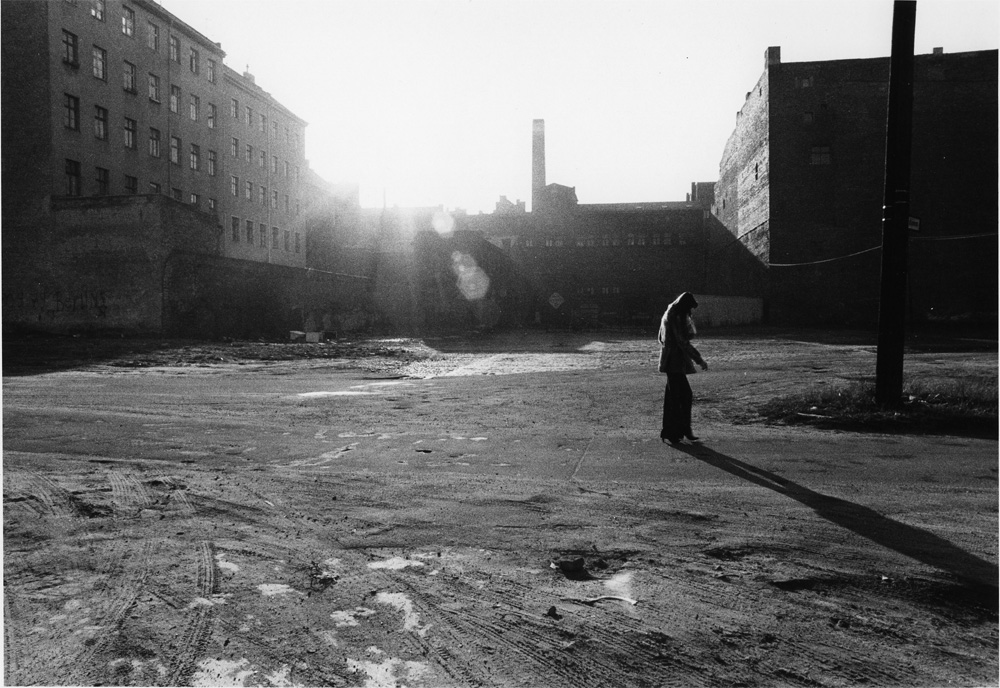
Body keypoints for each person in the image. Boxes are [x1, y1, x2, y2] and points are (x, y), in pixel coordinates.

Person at [657, 292, 708, 444]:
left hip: (670, 361)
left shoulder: (670, 313)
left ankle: (673, 431)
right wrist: (699, 360)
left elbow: (661, 337)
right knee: (683, 395)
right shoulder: (676, 317)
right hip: (674, 362)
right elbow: (683, 342)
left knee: (675, 397)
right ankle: (680, 430)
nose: (690, 312)